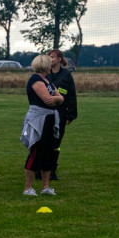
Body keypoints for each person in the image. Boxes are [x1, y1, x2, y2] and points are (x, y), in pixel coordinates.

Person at [20, 54, 64, 196]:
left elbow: (60, 98)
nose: (52, 65)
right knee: (36, 152)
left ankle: (45, 187)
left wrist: (58, 98)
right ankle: (28, 188)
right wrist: (57, 98)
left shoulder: (48, 80)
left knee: (49, 153)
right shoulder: (35, 79)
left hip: (50, 119)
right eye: (49, 63)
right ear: (44, 65)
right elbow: (47, 100)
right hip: (39, 120)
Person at [46, 48, 77, 180]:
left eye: (53, 57)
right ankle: (40, 169)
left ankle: (52, 170)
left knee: (56, 143)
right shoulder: (45, 75)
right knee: (45, 142)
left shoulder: (66, 76)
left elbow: (72, 96)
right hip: (46, 114)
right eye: (49, 57)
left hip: (61, 114)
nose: (50, 59)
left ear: (59, 59)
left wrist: (71, 115)